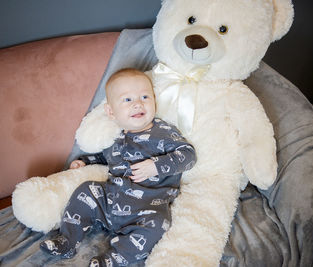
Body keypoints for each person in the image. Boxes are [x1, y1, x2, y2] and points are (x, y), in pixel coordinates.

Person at [40, 68, 196, 267]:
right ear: (111, 112)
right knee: (86, 190)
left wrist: (156, 166)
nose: (138, 103)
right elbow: (105, 158)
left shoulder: (163, 132)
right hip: (112, 200)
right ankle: (68, 240)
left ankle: (115, 258)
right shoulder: (116, 138)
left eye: (145, 96)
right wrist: (85, 161)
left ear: (154, 101)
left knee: (158, 225)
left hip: (148, 208)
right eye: (127, 100)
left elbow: (189, 155)